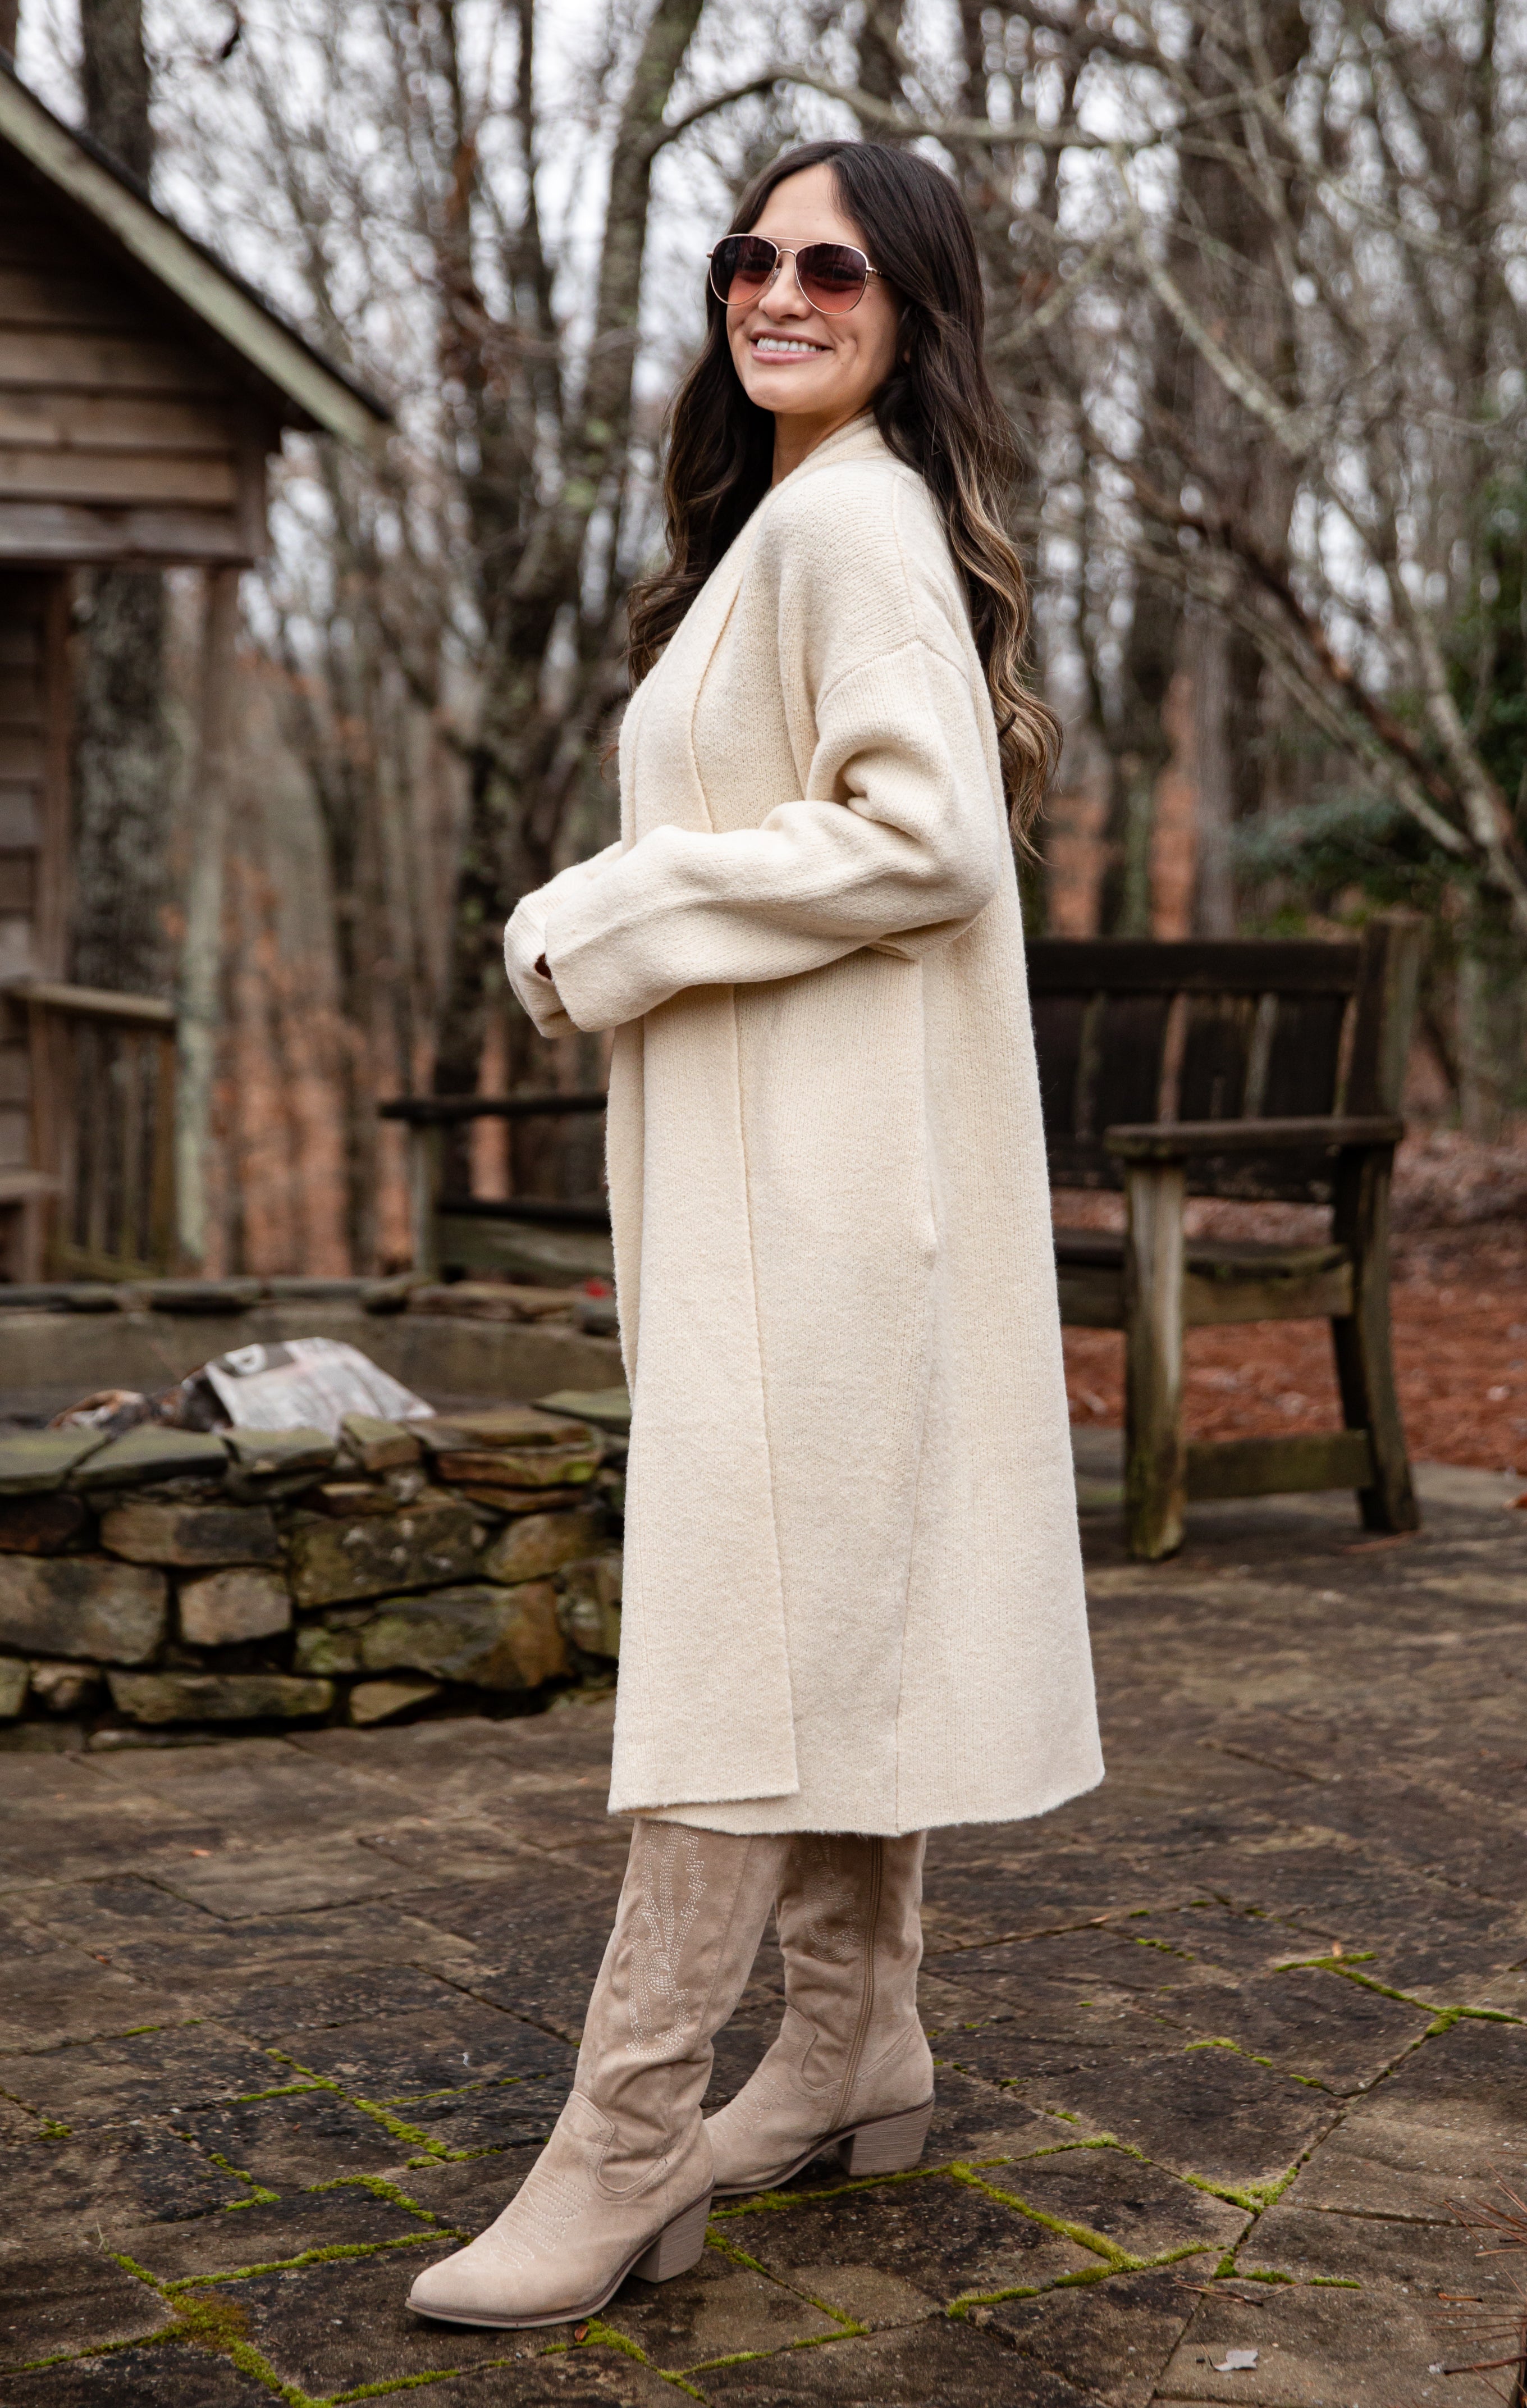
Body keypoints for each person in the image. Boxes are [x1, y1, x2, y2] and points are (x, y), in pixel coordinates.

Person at [407, 136, 1102, 2331]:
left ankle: (626, 2140)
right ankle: (848, 2046)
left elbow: (921, 840)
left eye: (832, 264)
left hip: (821, 1216)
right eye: (751, 256)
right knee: (821, 1640)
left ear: (907, 307)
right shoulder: (799, 525)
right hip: (794, 1197)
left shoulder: (852, 517)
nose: (777, 289)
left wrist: (603, 914)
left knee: (735, 1666)